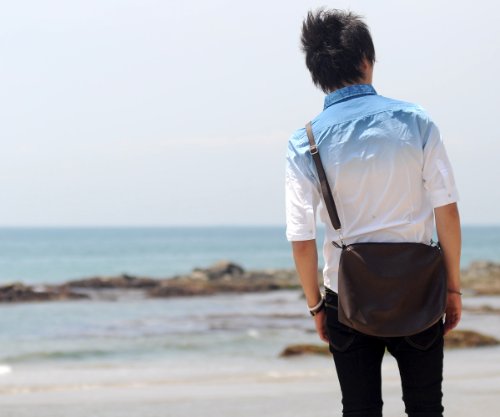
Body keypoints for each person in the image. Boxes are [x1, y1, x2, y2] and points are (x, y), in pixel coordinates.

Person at [285, 9, 462, 417]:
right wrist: (452, 288)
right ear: (366, 60)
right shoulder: (415, 121)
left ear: (316, 72)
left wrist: (316, 306)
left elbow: (301, 238)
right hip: (419, 289)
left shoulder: (304, 141)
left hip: (346, 297)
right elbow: (447, 211)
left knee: (359, 409)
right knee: (426, 408)